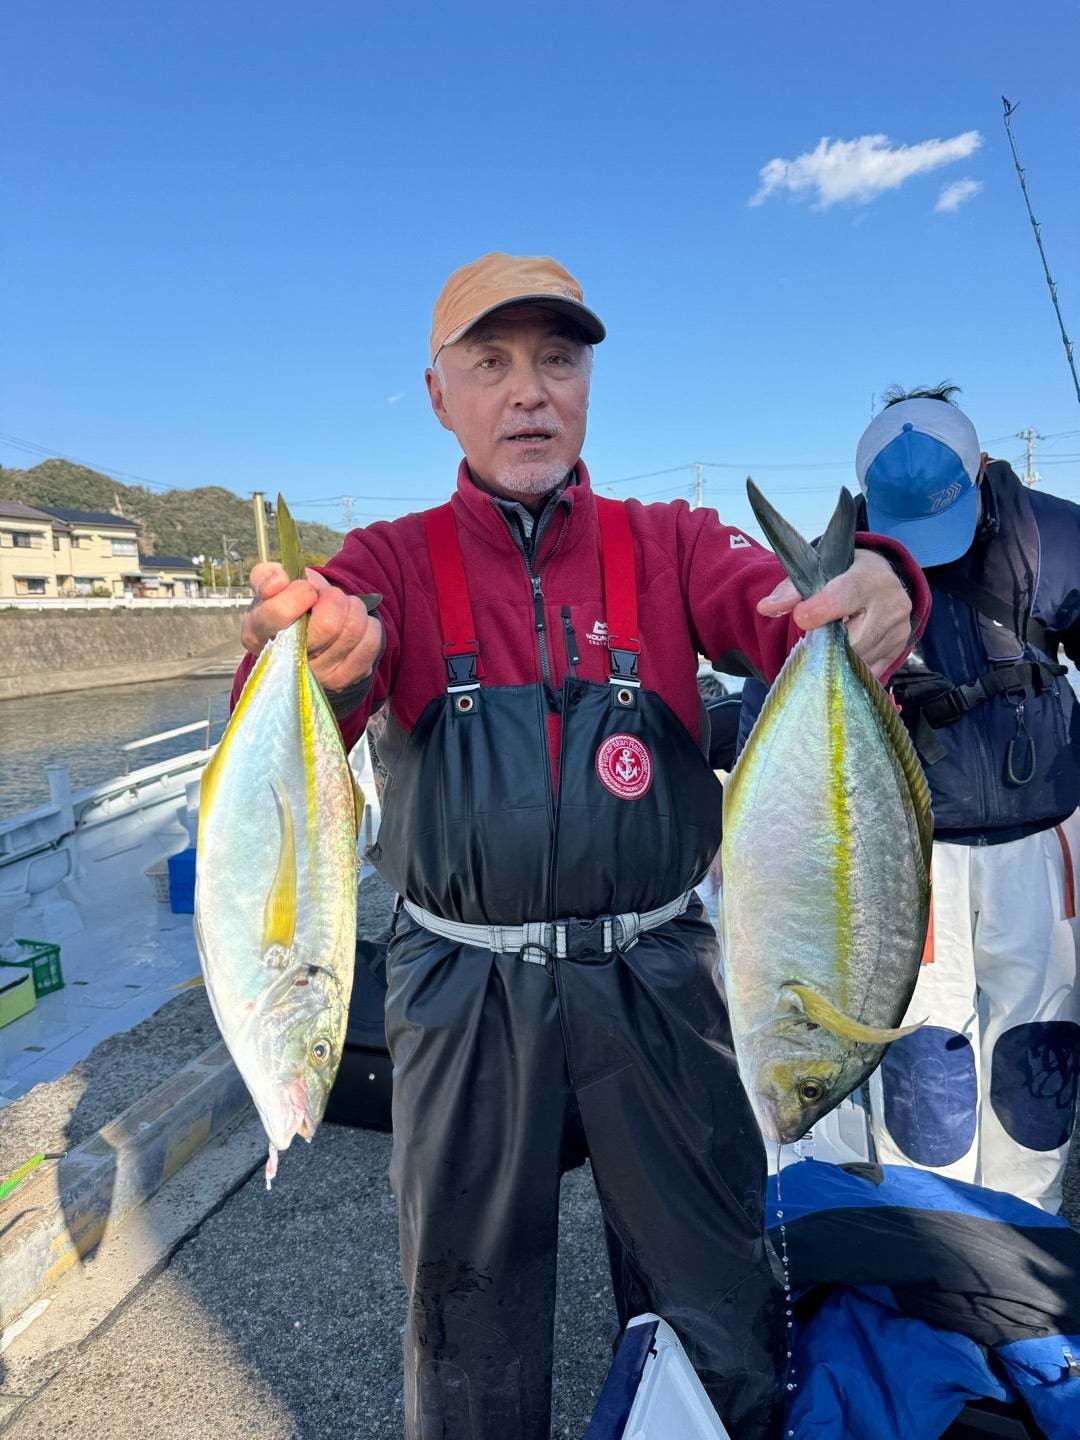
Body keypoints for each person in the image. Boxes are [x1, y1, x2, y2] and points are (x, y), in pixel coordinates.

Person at [233, 253, 926, 1440]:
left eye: (558, 359)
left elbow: (781, 611)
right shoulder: (390, 562)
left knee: (712, 1300)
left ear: (590, 383)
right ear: (439, 393)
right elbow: (297, 709)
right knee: (466, 1321)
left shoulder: (671, 542)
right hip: (460, 985)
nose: (529, 391)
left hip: (658, 971)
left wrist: (879, 587)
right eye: (490, 363)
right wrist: (315, 660)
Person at [739, 384, 1080, 1213]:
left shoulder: (1059, 536)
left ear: (983, 468)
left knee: (1041, 1055)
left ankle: (1025, 1235)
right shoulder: (848, 571)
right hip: (905, 860)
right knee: (927, 1071)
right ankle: (937, 1242)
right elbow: (770, 697)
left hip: (1045, 848)